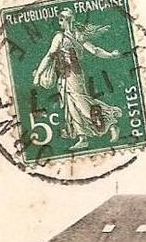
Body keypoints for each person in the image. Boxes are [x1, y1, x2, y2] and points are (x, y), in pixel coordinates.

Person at [31, 9, 124, 150]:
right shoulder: (73, 35)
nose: (59, 23)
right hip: (66, 76)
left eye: (61, 20)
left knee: (82, 103)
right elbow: (94, 50)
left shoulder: (64, 37)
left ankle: (110, 123)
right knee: (71, 106)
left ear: (66, 20)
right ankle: (83, 138)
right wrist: (110, 55)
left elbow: (93, 50)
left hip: (73, 75)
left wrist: (38, 75)